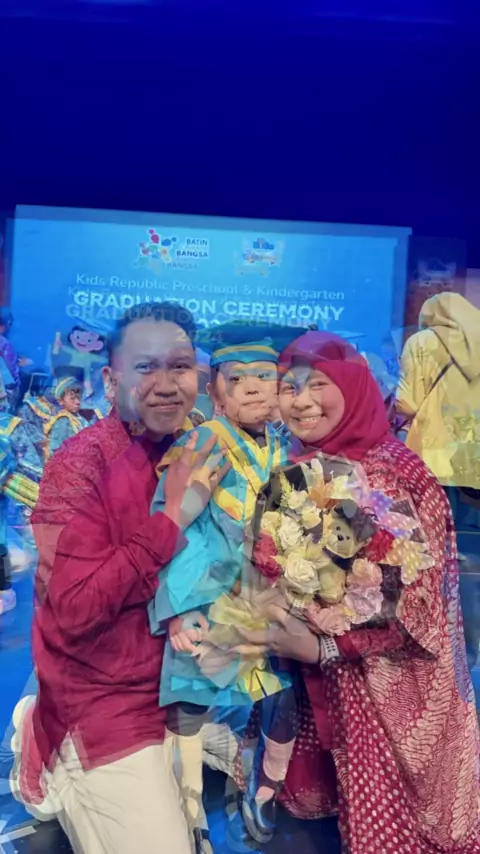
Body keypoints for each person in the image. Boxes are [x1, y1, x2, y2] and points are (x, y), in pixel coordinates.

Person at [233, 330, 480, 854]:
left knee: (390, 826)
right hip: (317, 671)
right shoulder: (303, 464)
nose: (300, 401)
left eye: (317, 384)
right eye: (289, 387)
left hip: (385, 683)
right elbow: (272, 556)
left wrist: (324, 645)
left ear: (351, 386)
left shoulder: (387, 474)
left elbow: (413, 602)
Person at [9, 302, 230, 854]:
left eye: (179, 366)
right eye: (145, 366)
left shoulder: (201, 446)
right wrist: (171, 519)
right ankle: (49, 739)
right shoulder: (82, 463)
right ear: (111, 379)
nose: (166, 384)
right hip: (102, 692)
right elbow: (74, 610)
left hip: (183, 676)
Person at [149, 328, 291, 849]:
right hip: (208, 598)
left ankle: (265, 790)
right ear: (215, 391)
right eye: (238, 379)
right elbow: (172, 527)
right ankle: (189, 813)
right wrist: (179, 608)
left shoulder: (285, 445)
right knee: (192, 703)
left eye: (265, 377)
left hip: (273, 602)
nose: (253, 388)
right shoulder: (201, 442)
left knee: (280, 696)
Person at [396, 291, 480, 491]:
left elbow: (407, 404)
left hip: (434, 457)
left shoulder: (421, 342)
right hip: (474, 457)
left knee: (434, 510)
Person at [44, 375, 90, 457]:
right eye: (72, 398)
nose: (77, 402)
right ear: (61, 401)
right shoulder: (63, 421)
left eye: (79, 398)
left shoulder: (82, 420)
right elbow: (57, 451)